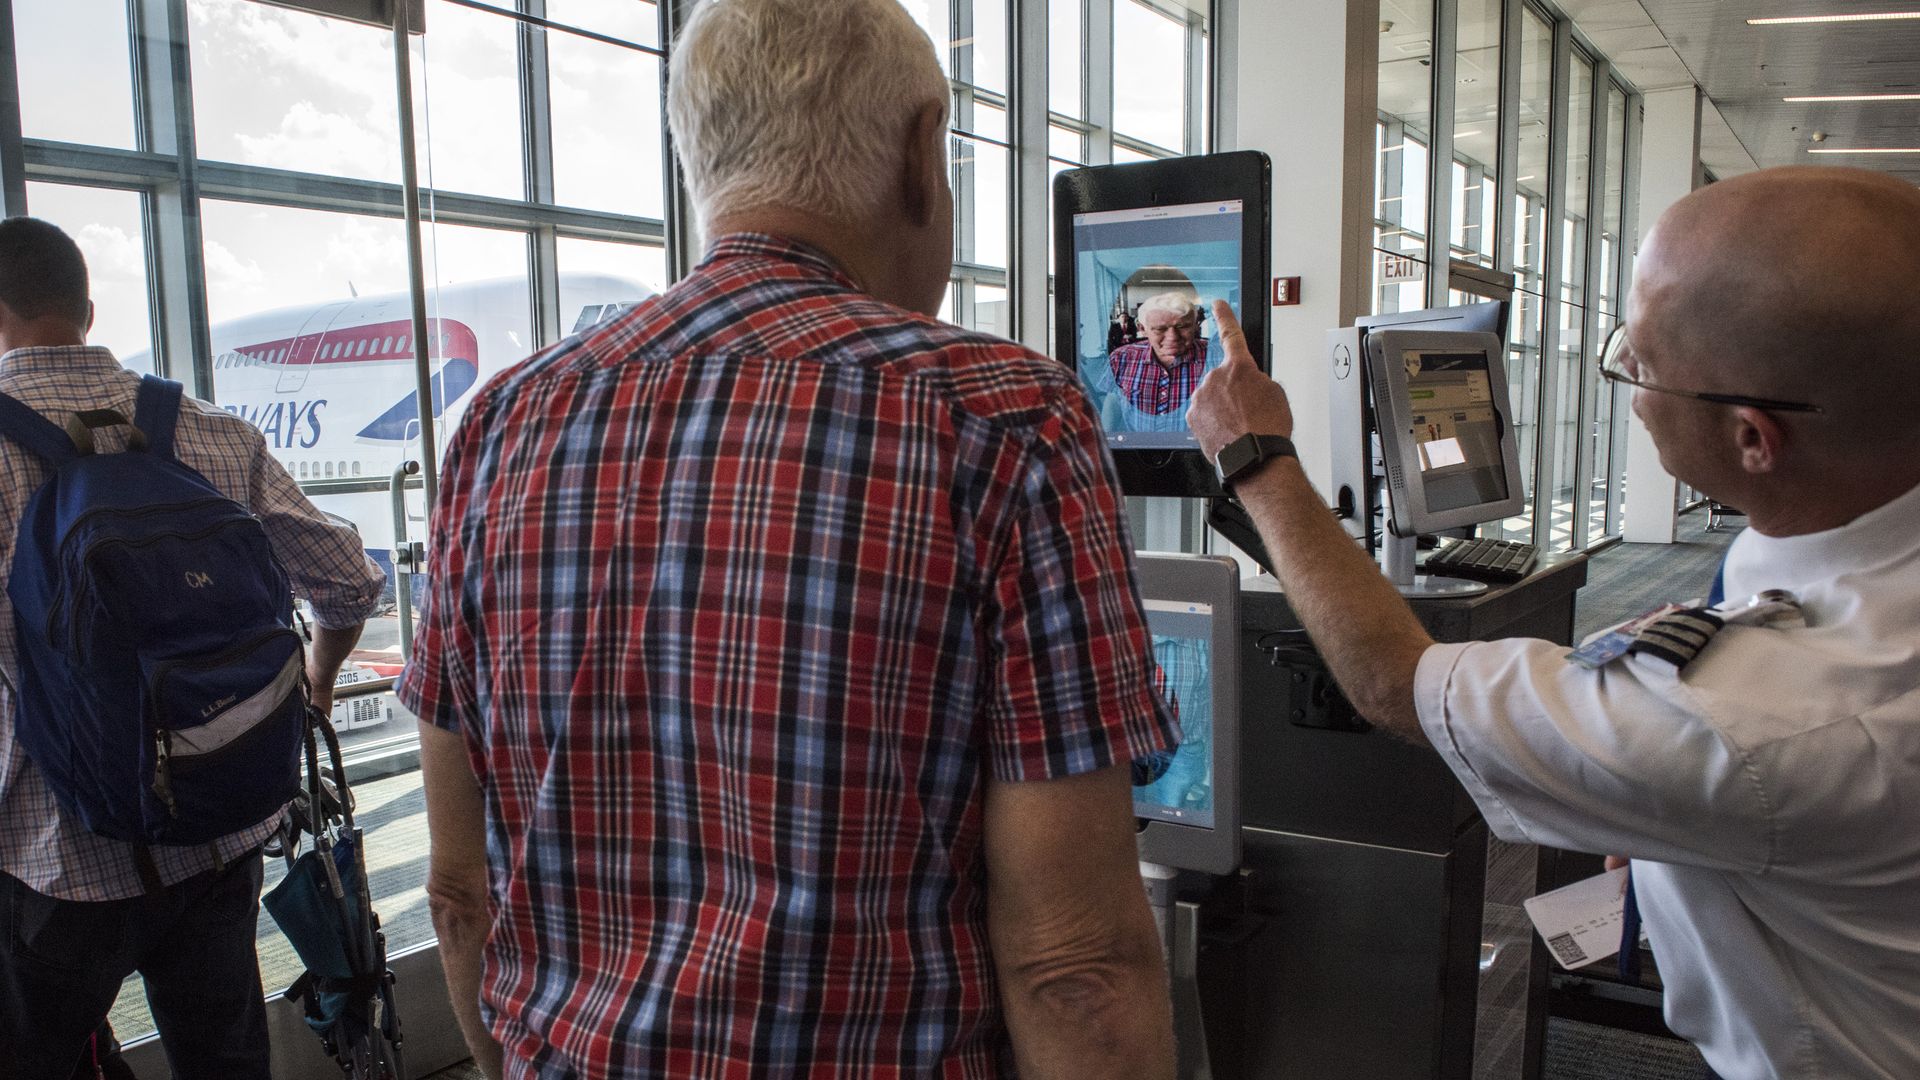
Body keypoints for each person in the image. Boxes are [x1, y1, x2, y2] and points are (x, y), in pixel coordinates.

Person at [399, 1, 1180, 1077]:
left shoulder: (498, 423)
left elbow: (458, 892)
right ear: (920, 158)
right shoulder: (1004, 420)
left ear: (703, 166)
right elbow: (1073, 962)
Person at [1184, 165, 1920, 1079]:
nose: (1628, 386)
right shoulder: (1861, 529)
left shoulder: (1752, 721)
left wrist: (1255, 457)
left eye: (1637, 364)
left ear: (1754, 438)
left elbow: (1393, 681)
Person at [0, 217, 385, 1077]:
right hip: (215, 827)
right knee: (225, 1057)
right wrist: (315, 690)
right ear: (88, 312)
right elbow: (351, 584)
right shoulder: (210, 431)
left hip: (52, 854)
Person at [1107, 292, 1209, 420]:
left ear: (1195, 326)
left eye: (1182, 326)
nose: (1173, 337)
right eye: (1160, 329)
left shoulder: (1220, 357)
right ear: (1142, 328)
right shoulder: (1120, 358)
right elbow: (1113, 400)